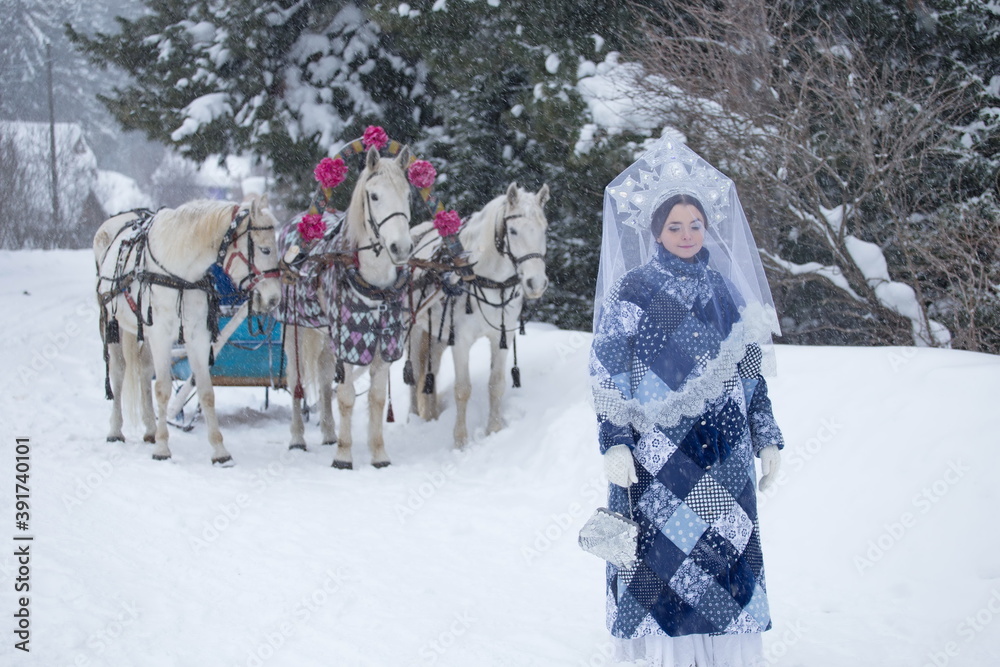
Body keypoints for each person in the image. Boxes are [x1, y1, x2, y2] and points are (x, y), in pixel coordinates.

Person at [589, 136, 784, 667]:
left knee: (722, 551)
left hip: (724, 452)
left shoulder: (724, 289)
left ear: (707, 228)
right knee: (661, 555)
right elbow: (608, 370)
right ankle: (665, 654)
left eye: (694, 225)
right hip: (657, 452)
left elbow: (750, 372)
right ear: (655, 231)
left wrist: (766, 437)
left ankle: (725, 653)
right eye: (674, 226)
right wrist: (616, 442)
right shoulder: (632, 291)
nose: (685, 234)